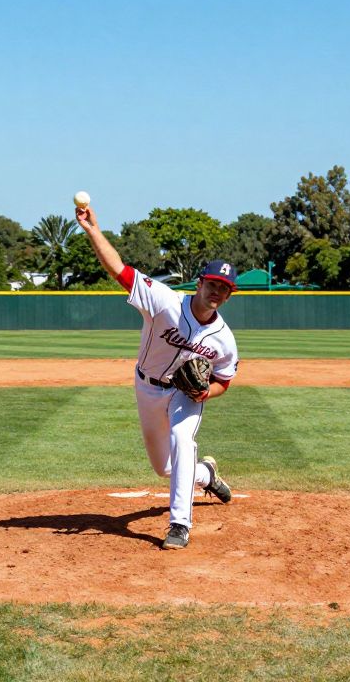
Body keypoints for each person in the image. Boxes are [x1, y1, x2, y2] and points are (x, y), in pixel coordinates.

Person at [75, 203, 238, 550]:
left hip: (184, 396)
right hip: (146, 387)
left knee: (183, 439)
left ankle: (179, 524)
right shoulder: (164, 301)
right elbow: (119, 269)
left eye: (224, 288)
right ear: (200, 282)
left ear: (229, 295)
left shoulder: (224, 340)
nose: (216, 292)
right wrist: (93, 231)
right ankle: (206, 475)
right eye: (212, 283)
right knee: (164, 467)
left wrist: (204, 394)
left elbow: (224, 381)